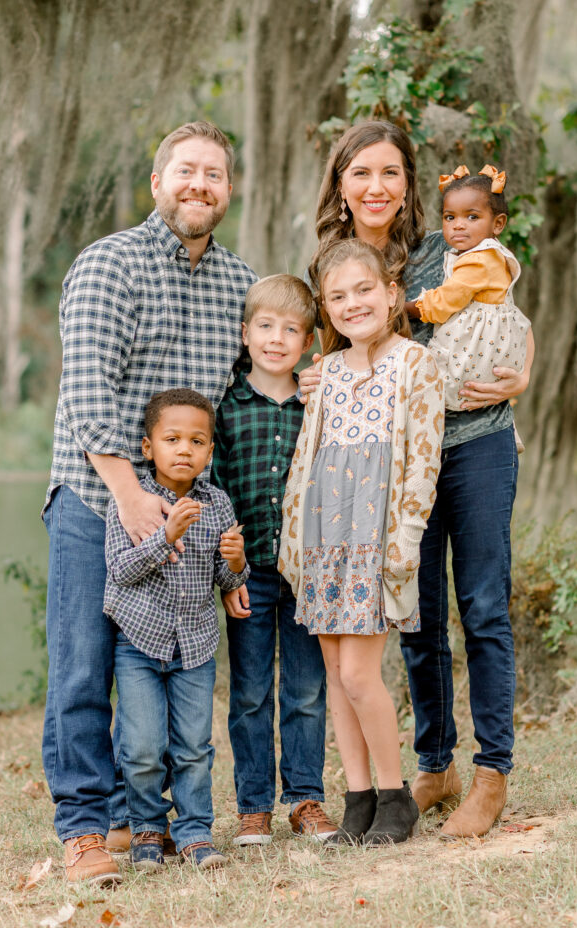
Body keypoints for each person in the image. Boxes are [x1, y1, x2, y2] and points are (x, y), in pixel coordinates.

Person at [301, 120, 535, 840]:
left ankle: (490, 772)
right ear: (340, 184)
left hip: (474, 445)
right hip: (389, 469)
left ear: (407, 186)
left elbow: (508, 313)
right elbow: (319, 363)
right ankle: (433, 767)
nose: (376, 187)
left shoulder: (448, 250)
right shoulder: (330, 269)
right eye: (361, 172)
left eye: (390, 173)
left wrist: (524, 372)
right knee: (415, 613)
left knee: (482, 605)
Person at [42, 121, 257, 884]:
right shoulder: (109, 264)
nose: (200, 185)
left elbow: (260, 370)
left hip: (189, 512)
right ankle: (84, 831)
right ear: (158, 179)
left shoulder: (238, 283)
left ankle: (156, 823)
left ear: (228, 189)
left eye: (215, 175)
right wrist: (130, 495)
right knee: (81, 670)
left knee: (170, 665)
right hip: (95, 497)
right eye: (186, 171)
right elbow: (87, 390)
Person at [280, 239, 444, 846]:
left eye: (364, 290)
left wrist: (405, 538)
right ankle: (358, 799)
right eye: (338, 296)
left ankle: (397, 797)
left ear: (392, 293)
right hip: (324, 532)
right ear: (326, 308)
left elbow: (423, 461)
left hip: (375, 537)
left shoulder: (414, 365)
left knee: (358, 672)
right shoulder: (323, 374)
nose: (353, 304)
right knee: (332, 668)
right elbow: (309, 460)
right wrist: (295, 539)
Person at [211, 275, 338, 845]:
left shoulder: (320, 403)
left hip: (308, 572)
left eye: (290, 329)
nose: (276, 338)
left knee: (307, 690)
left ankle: (306, 798)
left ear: (309, 341)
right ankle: (253, 805)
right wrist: (229, 573)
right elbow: (214, 494)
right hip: (252, 575)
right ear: (245, 334)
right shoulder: (227, 407)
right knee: (251, 691)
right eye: (265, 326)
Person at [104, 389, 248, 872]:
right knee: (142, 745)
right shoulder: (131, 504)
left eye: (197, 441)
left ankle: (194, 833)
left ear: (210, 450)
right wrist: (167, 536)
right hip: (139, 644)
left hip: (196, 646)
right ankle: (147, 828)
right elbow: (121, 570)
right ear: (149, 448)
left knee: (193, 746)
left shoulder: (218, 503)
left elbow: (227, 580)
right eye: (172, 439)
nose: (184, 449)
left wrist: (236, 561)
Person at [417, 164, 531, 412]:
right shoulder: (484, 255)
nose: (458, 225)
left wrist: (404, 307)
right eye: (450, 217)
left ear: (498, 224)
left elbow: (442, 304)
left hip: (472, 353)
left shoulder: (479, 260)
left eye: (472, 217)